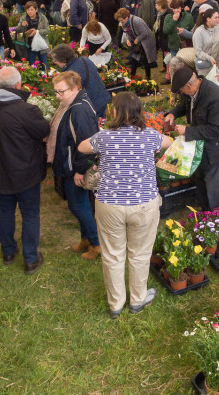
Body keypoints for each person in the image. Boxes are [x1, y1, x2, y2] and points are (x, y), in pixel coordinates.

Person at [76, 92, 173, 318]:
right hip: (144, 204)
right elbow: (170, 143)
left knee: (112, 255)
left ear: (115, 112)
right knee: (139, 254)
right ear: (140, 111)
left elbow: (81, 147)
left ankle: (116, 304)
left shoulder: (104, 137)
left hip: (109, 204)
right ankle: (137, 300)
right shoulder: (151, 136)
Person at [0, 66, 50, 274]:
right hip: (25, 171)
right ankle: (31, 259)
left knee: (5, 210)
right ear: (18, 85)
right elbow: (44, 130)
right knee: (30, 213)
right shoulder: (25, 110)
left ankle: (8, 252)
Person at [165, 68, 219, 211]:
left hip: (217, 149)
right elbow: (185, 105)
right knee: (202, 180)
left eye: (180, 91)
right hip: (201, 145)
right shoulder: (192, 93)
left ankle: (216, 220)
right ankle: (205, 213)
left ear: (189, 86)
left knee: (214, 187)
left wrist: (188, 131)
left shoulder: (216, 97)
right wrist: (173, 113)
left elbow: (218, 130)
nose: (181, 94)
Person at [51, 71, 100, 260]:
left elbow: (87, 145)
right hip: (72, 164)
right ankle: (86, 239)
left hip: (76, 167)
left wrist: (79, 171)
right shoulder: (74, 103)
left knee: (78, 206)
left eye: (61, 92)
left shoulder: (79, 109)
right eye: (56, 91)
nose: (57, 96)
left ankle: (96, 244)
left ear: (74, 88)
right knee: (81, 204)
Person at [49, 44, 109, 118]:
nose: (55, 62)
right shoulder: (85, 60)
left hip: (90, 107)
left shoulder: (70, 74)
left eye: (55, 60)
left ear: (64, 60)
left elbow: (71, 95)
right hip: (102, 98)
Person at [116, 7, 157, 80]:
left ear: (126, 17)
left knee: (146, 59)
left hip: (146, 41)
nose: (121, 22)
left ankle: (148, 77)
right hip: (137, 41)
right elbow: (128, 32)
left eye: (122, 20)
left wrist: (137, 39)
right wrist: (128, 39)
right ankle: (132, 75)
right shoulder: (125, 23)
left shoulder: (137, 21)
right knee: (134, 58)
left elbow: (145, 33)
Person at [15, 1, 51, 70]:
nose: (30, 12)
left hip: (41, 44)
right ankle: (33, 78)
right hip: (29, 45)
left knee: (44, 64)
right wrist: (22, 26)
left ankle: (45, 77)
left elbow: (47, 30)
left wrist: (37, 32)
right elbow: (19, 30)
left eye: (32, 9)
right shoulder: (24, 18)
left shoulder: (42, 17)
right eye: (28, 10)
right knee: (31, 65)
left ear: (36, 10)